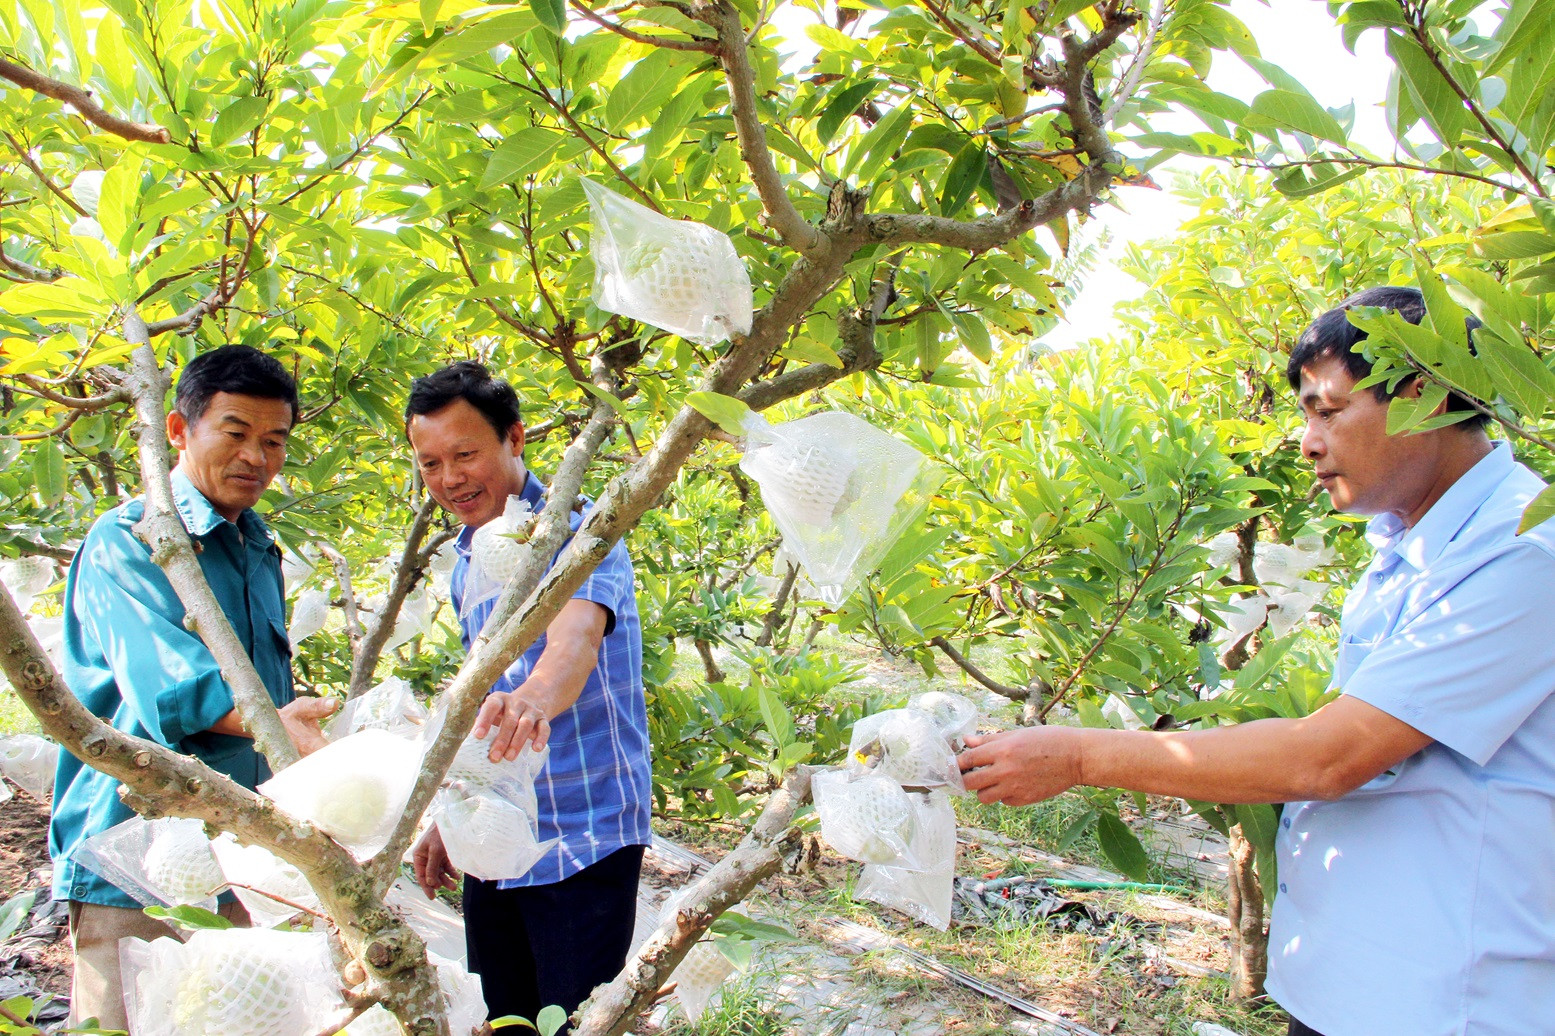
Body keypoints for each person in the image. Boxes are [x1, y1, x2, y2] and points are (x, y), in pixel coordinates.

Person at [958, 286, 1555, 1036]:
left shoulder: (1524, 551)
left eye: (1327, 412)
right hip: (1351, 981)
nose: (1306, 442)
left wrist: (1079, 756)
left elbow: (1331, 756)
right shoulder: (1408, 542)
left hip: (1447, 998)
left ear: (1424, 398)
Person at [49, 344, 336, 1030]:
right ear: (179, 431)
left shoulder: (257, 546)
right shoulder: (130, 539)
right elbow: (169, 691)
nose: (256, 458)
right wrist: (280, 724)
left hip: (239, 853)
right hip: (134, 855)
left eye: (274, 441)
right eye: (234, 434)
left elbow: (262, 684)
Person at [405, 361, 651, 1030]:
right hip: (496, 837)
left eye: (465, 454)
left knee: (576, 1021)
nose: (449, 478)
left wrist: (534, 700)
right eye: (430, 464)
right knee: (507, 1018)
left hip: (582, 834)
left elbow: (574, 645)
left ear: (513, 439)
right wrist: (446, 816)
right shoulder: (469, 556)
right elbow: (486, 689)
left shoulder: (576, 529)